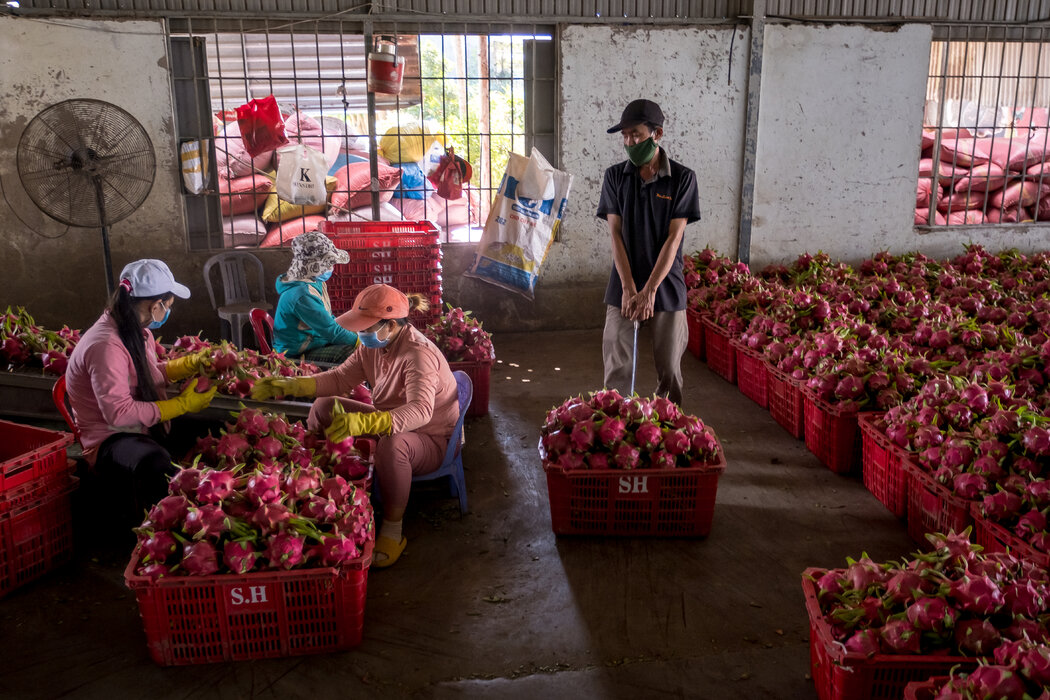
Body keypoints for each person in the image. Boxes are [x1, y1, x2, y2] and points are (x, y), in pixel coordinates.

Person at [251, 284, 459, 568]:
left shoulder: (417, 355)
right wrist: (294, 384)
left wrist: (369, 420)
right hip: (388, 418)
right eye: (359, 327)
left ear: (392, 324)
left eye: (367, 327)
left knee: (392, 444)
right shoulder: (374, 347)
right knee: (325, 406)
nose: (361, 334)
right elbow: (339, 379)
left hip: (429, 439)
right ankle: (315, 470)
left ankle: (393, 528)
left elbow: (421, 411)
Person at [65, 259, 218, 517]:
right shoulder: (106, 346)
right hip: (110, 437)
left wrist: (188, 365)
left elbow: (147, 372)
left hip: (139, 424)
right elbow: (119, 414)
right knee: (155, 463)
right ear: (155, 305)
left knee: (210, 429)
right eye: (168, 306)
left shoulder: (137, 330)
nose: (168, 312)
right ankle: (154, 532)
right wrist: (181, 404)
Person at [597, 98, 701, 405]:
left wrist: (650, 290)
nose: (630, 143)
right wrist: (630, 289)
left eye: (637, 135)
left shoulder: (682, 179)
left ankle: (667, 431)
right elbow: (615, 234)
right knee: (618, 363)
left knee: (669, 367)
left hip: (666, 284)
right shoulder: (615, 177)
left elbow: (674, 238)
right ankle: (614, 423)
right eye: (625, 136)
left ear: (657, 134)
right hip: (624, 281)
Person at [272, 231, 360, 363]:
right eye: (328, 264)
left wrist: (355, 333)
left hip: (315, 342)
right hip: (295, 355)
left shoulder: (315, 283)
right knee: (350, 352)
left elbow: (328, 321)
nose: (331, 268)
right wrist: (360, 342)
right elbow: (331, 330)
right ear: (313, 266)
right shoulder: (301, 295)